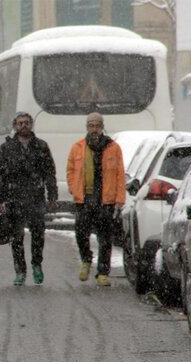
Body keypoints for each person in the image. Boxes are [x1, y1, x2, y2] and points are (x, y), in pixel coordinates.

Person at [0, 112, 58, 286]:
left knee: (38, 234)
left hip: (36, 197)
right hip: (14, 197)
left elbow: (50, 173)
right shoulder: (7, 148)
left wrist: (52, 195)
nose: (23, 126)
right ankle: (20, 271)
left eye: (27, 123)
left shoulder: (41, 146)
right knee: (16, 237)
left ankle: (37, 264)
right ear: (14, 126)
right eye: (20, 123)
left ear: (31, 125)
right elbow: (0, 174)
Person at [67, 112, 125, 287]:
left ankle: (103, 272)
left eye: (97, 125)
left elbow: (120, 174)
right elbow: (70, 170)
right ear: (87, 127)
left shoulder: (113, 147)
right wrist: (73, 188)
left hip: (105, 199)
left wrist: (119, 198)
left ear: (102, 127)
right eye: (91, 125)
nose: (94, 129)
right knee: (80, 233)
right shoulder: (77, 147)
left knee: (105, 238)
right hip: (84, 199)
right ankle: (86, 259)